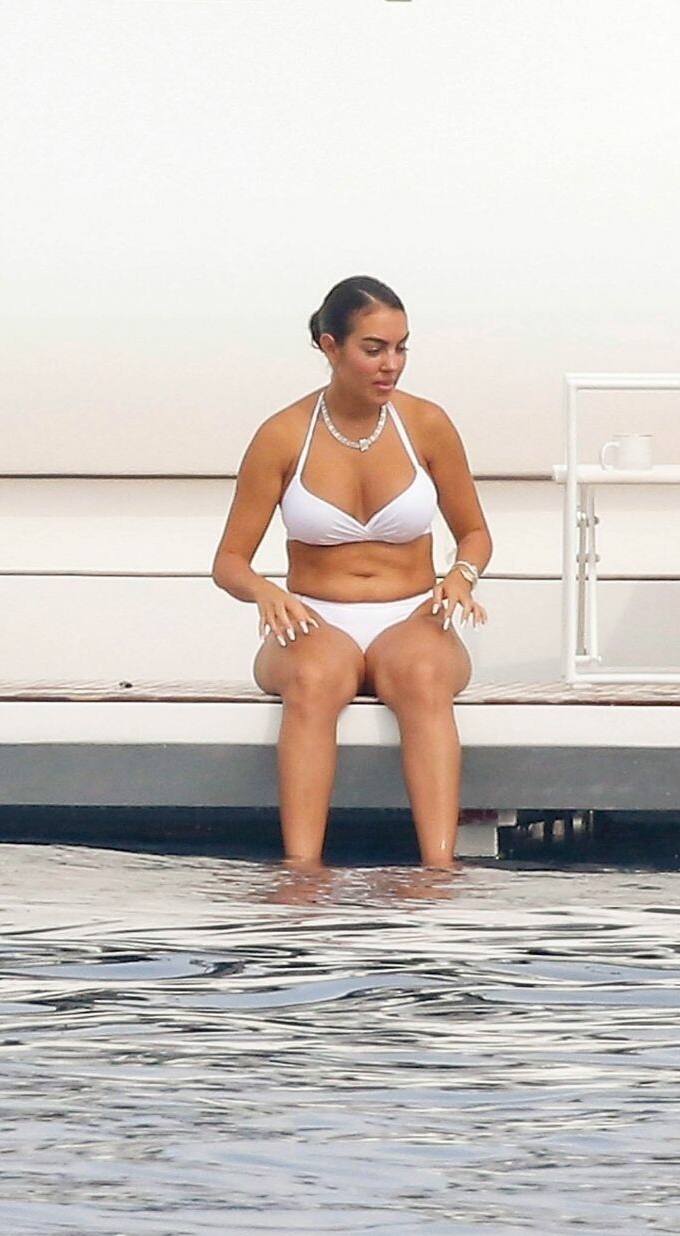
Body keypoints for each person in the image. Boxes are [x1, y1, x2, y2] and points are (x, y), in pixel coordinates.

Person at [213, 276, 492, 869]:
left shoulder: (427, 424)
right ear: (330, 346)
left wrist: (461, 576)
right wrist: (264, 592)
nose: (391, 365)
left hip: (411, 613)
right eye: (374, 349)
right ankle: (301, 871)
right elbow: (229, 561)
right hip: (315, 617)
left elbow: (475, 532)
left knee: (421, 674)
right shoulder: (282, 435)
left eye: (401, 348)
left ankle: (439, 869)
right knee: (313, 677)